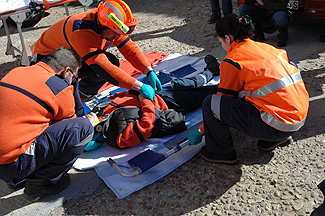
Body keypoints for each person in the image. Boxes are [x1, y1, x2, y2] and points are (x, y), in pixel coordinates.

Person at [187, 14, 309, 164]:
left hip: (278, 125)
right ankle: (271, 139)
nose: (223, 46)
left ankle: (221, 152)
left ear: (227, 38)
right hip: (299, 118)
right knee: (250, 92)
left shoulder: (233, 61)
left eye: (221, 42)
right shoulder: (266, 48)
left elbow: (222, 102)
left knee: (211, 103)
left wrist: (201, 130)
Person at [0, 47, 94, 201]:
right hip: (10, 164)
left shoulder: (17, 72)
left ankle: (17, 178)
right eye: (74, 77)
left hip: (5, 156)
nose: (73, 82)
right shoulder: (58, 86)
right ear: (66, 72)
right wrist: (88, 121)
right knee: (82, 128)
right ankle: (41, 183)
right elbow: (70, 125)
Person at [30, 0, 161, 102]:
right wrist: (138, 86)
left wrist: (148, 71)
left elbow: (129, 49)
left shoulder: (108, 24)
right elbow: (102, 67)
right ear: (104, 25)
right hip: (47, 60)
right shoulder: (81, 30)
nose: (116, 37)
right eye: (114, 33)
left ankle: (83, 93)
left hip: (70, 55)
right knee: (65, 82)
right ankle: (68, 99)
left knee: (112, 62)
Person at [85, 62, 220, 150]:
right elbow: (148, 124)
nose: (85, 116)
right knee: (201, 94)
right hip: (166, 105)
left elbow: (117, 97)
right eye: (84, 122)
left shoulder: (98, 110)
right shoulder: (117, 136)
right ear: (91, 132)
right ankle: (230, 87)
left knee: (185, 83)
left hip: (156, 95)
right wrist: (145, 100)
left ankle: (210, 71)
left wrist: (137, 89)